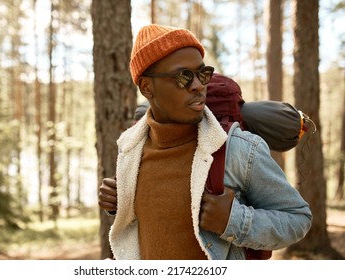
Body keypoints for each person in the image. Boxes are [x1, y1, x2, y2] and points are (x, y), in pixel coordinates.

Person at [98, 24, 312, 260]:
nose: (199, 85)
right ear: (148, 87)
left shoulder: (238, 149)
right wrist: (120, 204)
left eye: (202, 74)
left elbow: (298, 218)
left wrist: (233, 221)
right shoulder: (131, 148)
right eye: (183, 77)